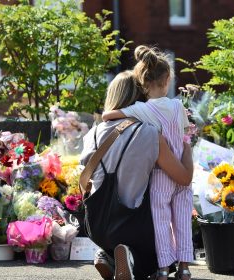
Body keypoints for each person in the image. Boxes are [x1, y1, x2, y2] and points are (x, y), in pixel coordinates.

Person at [80, 70, 193, 280]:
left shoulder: (93, 133)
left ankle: (109, 254)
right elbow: (183, 178)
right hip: (134, 224)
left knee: (113, 234)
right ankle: (131, 260)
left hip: (97, 223)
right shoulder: (149, 133)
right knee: (158, 248)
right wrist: (187, 151)